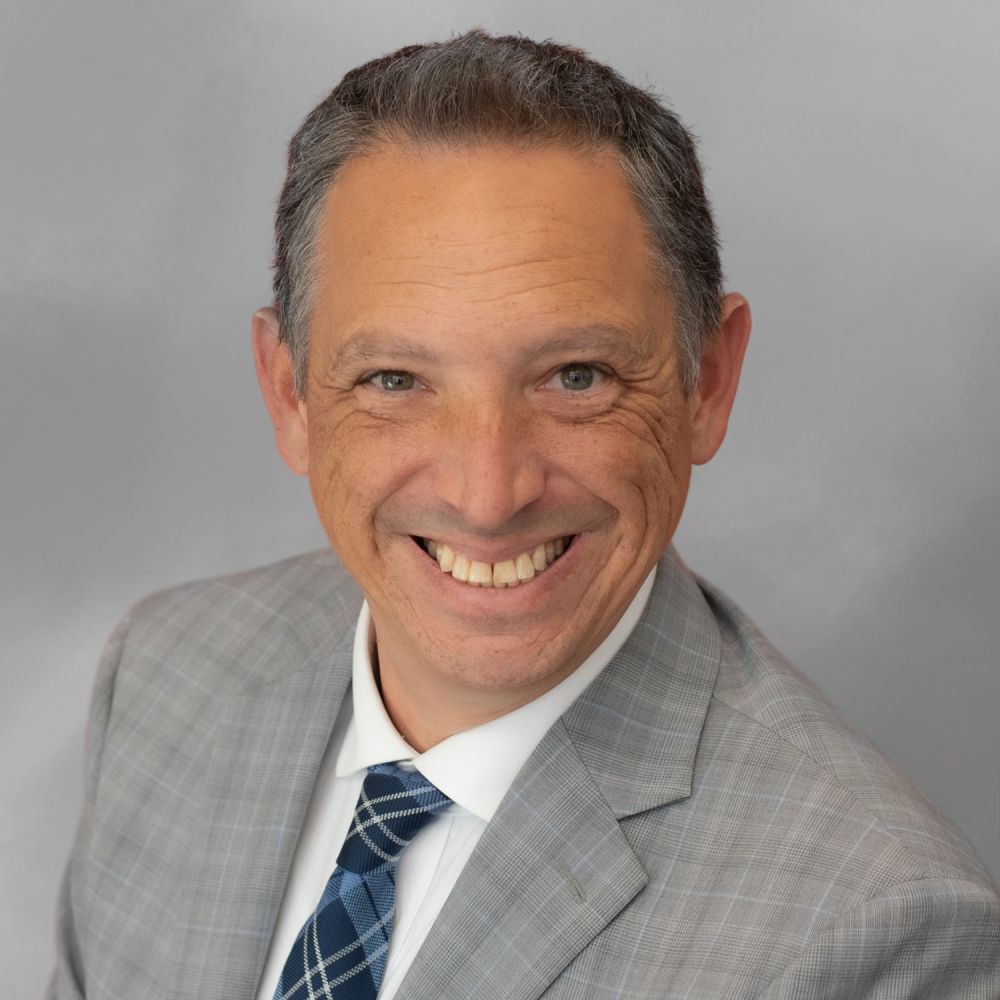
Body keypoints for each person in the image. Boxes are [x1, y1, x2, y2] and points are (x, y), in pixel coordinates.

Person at [49, 30, 999, 1000]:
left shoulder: (875, 928)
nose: (487, 492)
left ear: (706, 381)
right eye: (394, 378)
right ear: (288, 395)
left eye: (574, 376)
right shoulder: (165, 674)